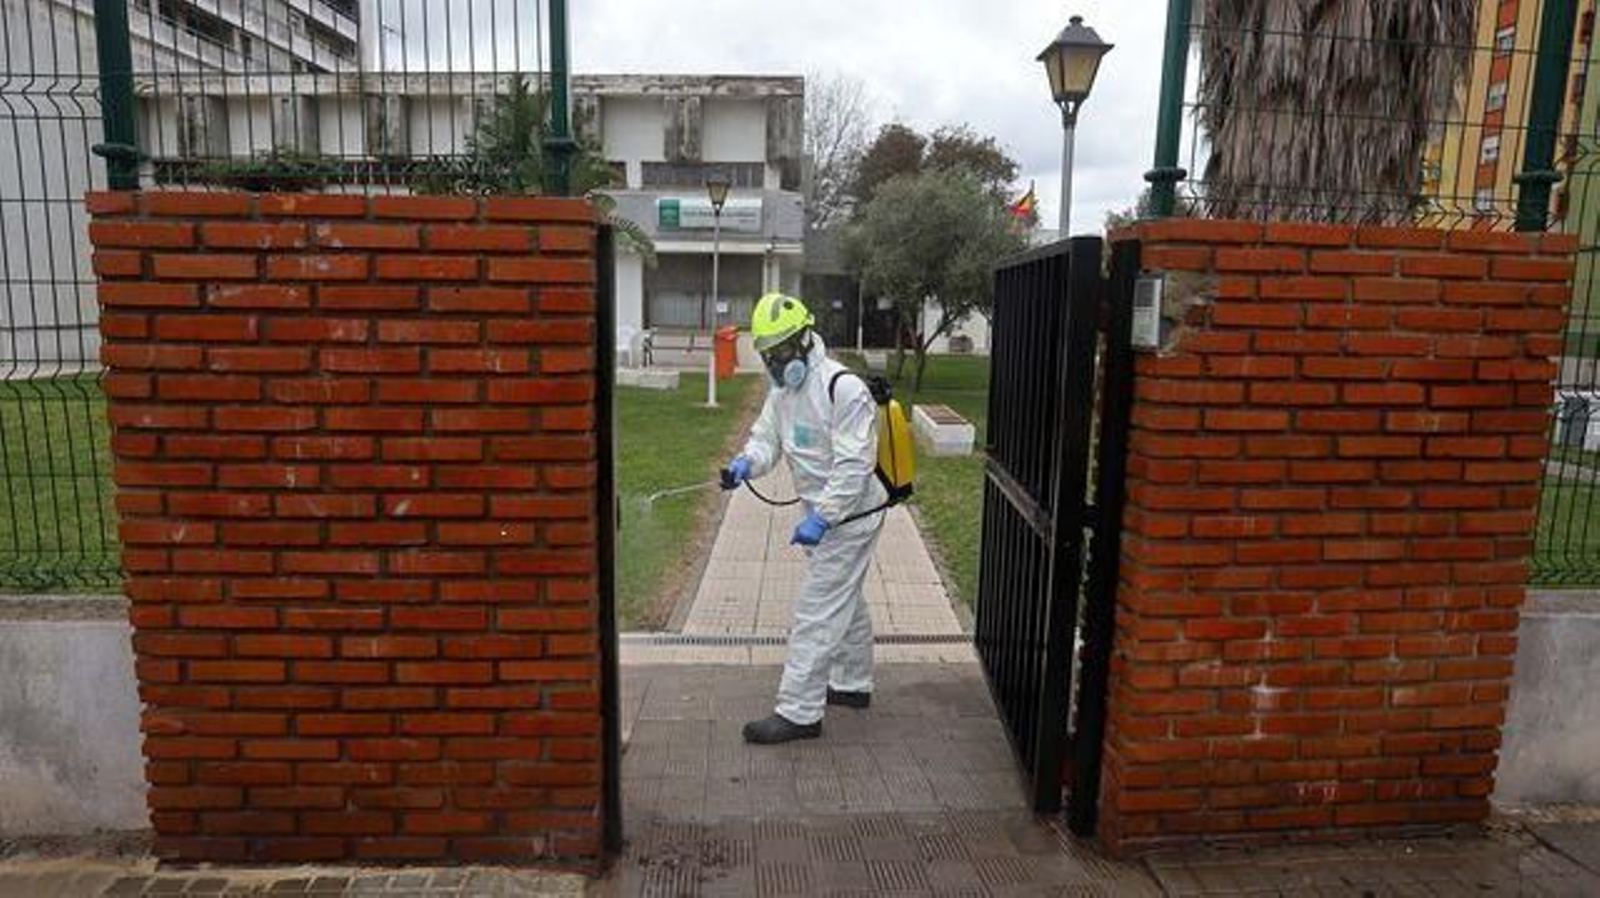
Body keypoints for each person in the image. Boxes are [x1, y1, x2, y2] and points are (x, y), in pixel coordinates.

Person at [722, 292, 887, 745]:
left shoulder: (843, 387)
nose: (776, 364)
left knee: (817, 611)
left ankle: (799, 711)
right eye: (768, 357)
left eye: (781, 353)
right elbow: (766, 440)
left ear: (804, 339)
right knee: (845, 599)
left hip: (852, 515)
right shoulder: (783, 392)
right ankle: (853, 684)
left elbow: (855, 465)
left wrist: (825, 518)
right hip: (821, 513)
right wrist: (745, 464)